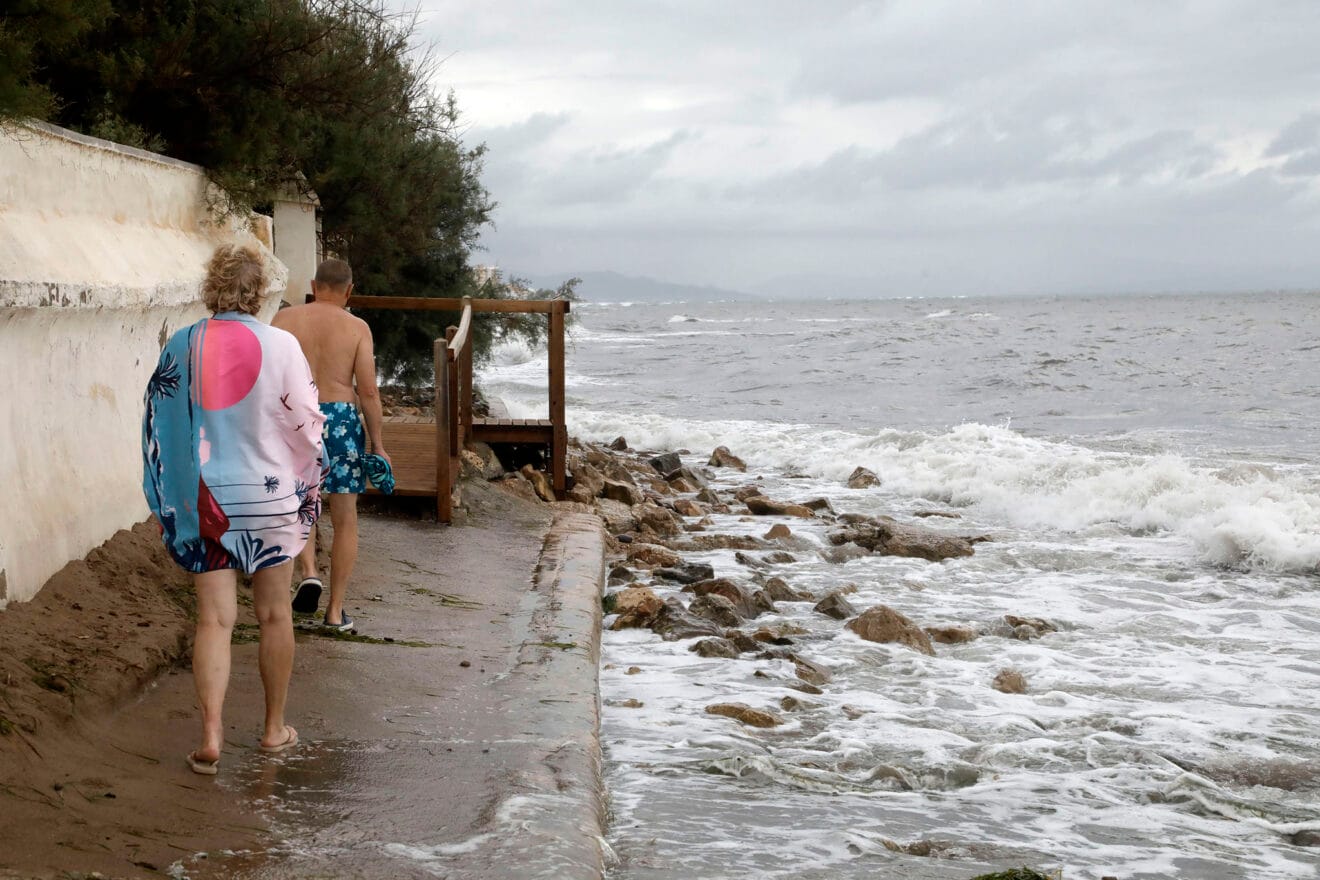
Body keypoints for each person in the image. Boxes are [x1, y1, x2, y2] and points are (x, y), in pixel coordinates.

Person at [142, 243, 323, 775]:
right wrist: (306, 485)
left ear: (211, 286)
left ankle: (212, 735)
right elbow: (308, 426)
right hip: (269, 498)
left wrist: (166, 498)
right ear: (259, 287)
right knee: (273, 614)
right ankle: (272, 730)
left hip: (206, 501)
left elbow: (158, 422)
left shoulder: (183, 343)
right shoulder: (284, 344)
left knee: (215, 620)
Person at [272, 258, 390, 632]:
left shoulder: (284, 321)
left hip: (296, 414)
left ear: (313, 284)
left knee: (298, 504)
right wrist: (378, 443)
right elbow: (368, 391)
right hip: (340, 420)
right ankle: (336, 612)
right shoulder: (357, 327)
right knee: (345, 518)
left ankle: (308, 571)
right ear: (349, 290)